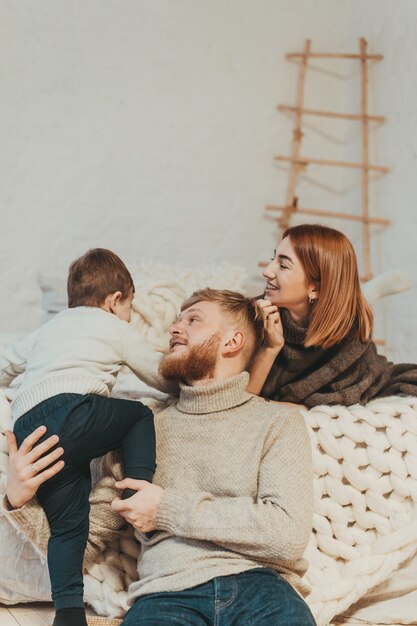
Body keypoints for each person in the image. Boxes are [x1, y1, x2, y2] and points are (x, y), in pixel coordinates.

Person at [5, 288, 316, 626]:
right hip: (165, 596)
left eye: (193, 320)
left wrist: (165, 508)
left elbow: (286, 533)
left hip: (261, 587)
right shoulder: (139, 429)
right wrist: (19, 499)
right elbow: (83, 542)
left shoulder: (277, 423)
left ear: (232, 342)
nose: (174, 328)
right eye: (177, 319)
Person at [0, 248, 176, 626]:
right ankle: (136, 488)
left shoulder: (49, 329)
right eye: (130, 306)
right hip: (73, 411)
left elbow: (6, 363)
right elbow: (158, 375)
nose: (129, 315)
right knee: (138, 415)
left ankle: (67, 613)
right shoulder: (113, 326)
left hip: (30, 429)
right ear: (115, 301)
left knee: (68, 523)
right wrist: (183, 381)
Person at [248, 223, 417, 407]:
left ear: (316, 287)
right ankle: (362, 296)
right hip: (324, 309)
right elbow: (242, 398)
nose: (266, 271)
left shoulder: (349, 336)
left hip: (343, 328)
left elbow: (333, 400)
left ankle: (362, 298)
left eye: (283, 265)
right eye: (273, 259)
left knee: (353, 322)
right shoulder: (256, 314)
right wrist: (269, 348)